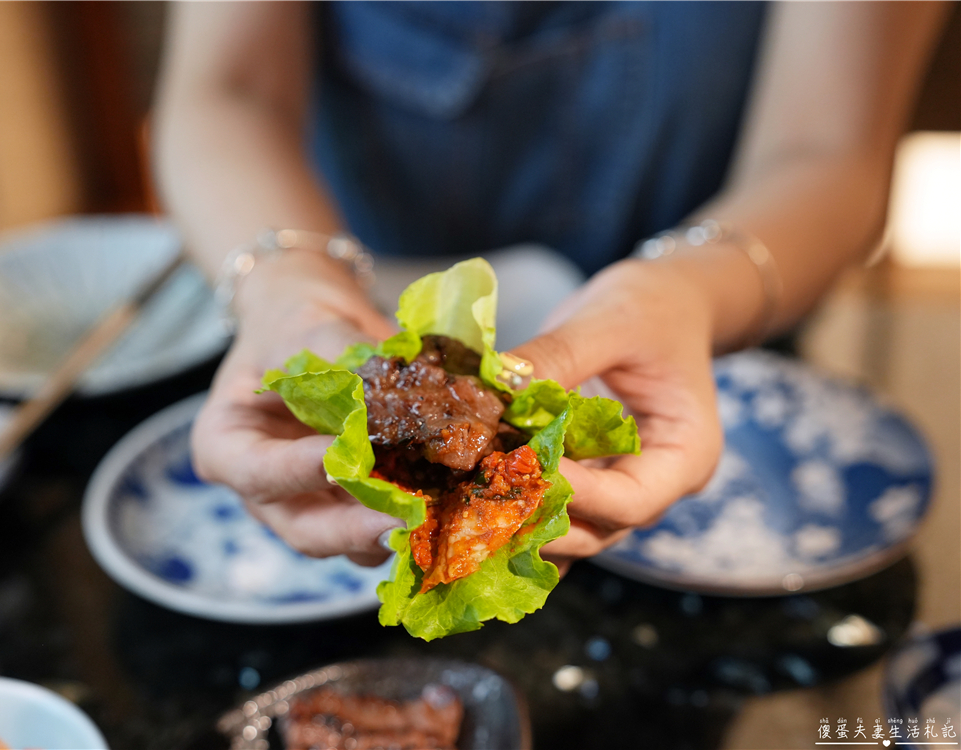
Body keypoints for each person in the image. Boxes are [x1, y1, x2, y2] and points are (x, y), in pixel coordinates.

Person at [152, 2, 947, 568]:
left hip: (710, 354)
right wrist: (287, 284)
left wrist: (691, 294)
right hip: (372, 282)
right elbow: (227, 90)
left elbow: (831, 151)